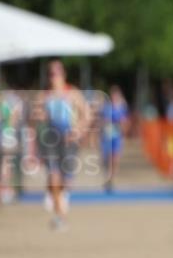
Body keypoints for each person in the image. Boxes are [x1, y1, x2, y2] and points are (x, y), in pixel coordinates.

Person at [32, 60, 90, 231]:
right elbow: (33, 118)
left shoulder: (73, 94)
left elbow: (86, 116)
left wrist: (78, 131)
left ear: (63, 74)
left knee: (66, 179)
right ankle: (60, 215)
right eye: (51, 73)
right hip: (51, 141)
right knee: (54, 174)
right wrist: (38, 117)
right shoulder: (44, 96)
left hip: (69, 141)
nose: (53, 77)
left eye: (56, 73)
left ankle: (58, 196)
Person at [101, 85, 130, 193]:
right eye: (113, 95)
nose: (114, 97)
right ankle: (108, 176)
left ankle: (111, 179)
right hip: (107, 136)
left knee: (115, 159)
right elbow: (103, 120)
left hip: (117, 137)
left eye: (116, 95)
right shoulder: (107, 106)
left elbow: (125, 121)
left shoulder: (122, 106)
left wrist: (123, 129)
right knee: (107, 159)